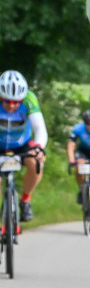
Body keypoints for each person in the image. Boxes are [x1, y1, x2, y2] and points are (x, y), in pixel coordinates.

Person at [0, 70, 46, 225]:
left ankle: (25, 199)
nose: (11, 106)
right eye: (7, 101)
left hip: (22, 144)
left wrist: (39, 147)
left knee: (37, 163)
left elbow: (40, 129)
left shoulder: (29, 99)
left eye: (16, 102)